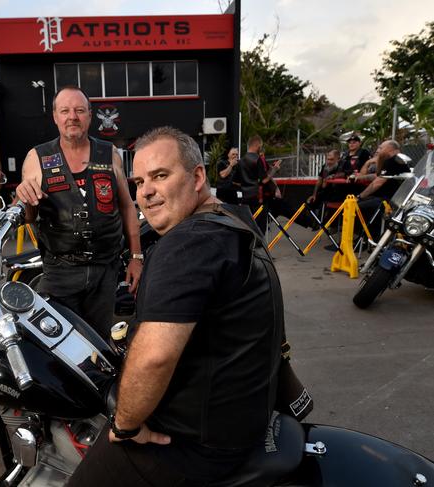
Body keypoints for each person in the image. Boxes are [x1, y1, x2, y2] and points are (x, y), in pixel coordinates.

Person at [67, 127, 284, 486]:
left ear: (198, 176)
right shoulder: (235, 220)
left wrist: (125, 425)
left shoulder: (188, 244)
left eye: (160, 176)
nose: (145, 192)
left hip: (193, 445)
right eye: (138, 182)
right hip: (241, 418)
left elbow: (155, 357)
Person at [15, 86, 142, 340]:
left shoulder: (109, 153)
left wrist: (136, 257)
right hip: (59, 271)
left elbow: (127, 205)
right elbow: (28, 216)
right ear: (55, 117)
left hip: (104, 269)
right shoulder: (37, 157)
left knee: (98, 341)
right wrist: (24, 195)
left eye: (79, 110)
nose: (72, 116)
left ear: (89, 116)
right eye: (65, 110)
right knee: (53, 342)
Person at [357, 139, 410, 239]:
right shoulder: (396, 159)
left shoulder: (393, 160)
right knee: (364, 202)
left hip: (391, 200)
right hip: (393, 198)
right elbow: (378, 176)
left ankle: (369, 239)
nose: (378, 150)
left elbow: (377, 183)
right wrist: (361, 177)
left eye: (381, 148)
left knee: (357, 206)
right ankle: (367, 238)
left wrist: (359, 196)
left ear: (389, 148)